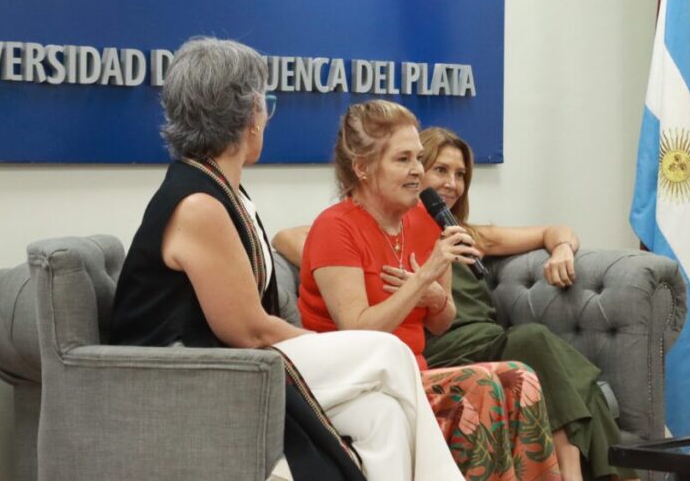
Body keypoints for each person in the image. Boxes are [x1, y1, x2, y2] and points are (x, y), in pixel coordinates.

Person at [109, 38, 462, 481]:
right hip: (191, 376)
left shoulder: (221, 189)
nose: (265, 119)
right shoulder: (198, 204)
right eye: (265, 105)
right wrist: (323, 342)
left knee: (382, 414)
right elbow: (248, 330)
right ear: (246, 117)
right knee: (389, 353)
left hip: (234, 361)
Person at [277, 126, 635, 481]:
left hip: (481, 336)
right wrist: (381, 271)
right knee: (533, 342)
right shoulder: (345, 226)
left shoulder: (461, 233)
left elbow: (552, 231)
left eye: (459, 174)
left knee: (535, 371)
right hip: (441, 351)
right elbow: (292, 240)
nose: (450, 183)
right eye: (437, 169)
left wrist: (560, 249)